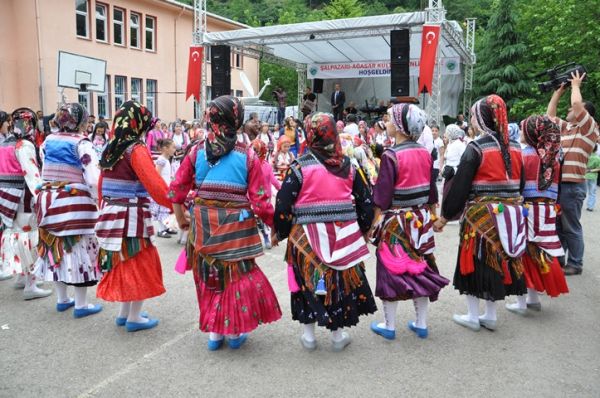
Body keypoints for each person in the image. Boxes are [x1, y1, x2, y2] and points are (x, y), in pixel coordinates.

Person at [169, 95, 282, 350]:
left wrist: (180, 219)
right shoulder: (248, 156)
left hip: (202, 225)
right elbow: (261, 201)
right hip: (237, 229)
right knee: (235, 277)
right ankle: (232, 333)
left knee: (208, 275)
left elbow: (176, 189)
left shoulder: (195, 150)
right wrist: (275, 226)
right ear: (237, 119)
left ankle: (214, 334)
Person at [274, 112, 377, 351]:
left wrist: (280, 232)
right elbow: (366, 201)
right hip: (343, 235)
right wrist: (362, 229)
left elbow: (282, 204)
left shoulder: (300, 167)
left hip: (305, 237)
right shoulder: (349, 166)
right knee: (339, 284)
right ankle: (338, 336)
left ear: (310, 135)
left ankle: (308, 336)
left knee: (306, 283)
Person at [435, 94, 526, 332]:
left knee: (476, 261)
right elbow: (521, 183)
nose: (472, 119)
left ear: (482, 119)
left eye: (475, 115)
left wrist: (445, 216)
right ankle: (491, 314)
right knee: (499, 260)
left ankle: (474, 316)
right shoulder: (516, 147)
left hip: (481, 217)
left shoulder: (476, 148)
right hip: (510, 215)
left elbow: (461, 186)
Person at [369, 104, 449, 341]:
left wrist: (372, 224)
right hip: (420, 220)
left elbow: (382, 197)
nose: (388, 124)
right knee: (420, 268)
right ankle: (421, 324)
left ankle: (389, 325)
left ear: (401, 126)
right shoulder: (425, 153)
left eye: (391, 120)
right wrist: (435, 217)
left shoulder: (391, 155)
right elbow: (432, 191)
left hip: (396, 221)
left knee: (390, 270)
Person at [95, 101, 172, 332]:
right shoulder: (135, 148)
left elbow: (101, 184)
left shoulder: (111, 147)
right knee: (140, 261)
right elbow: (154, 185)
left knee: (121, 260)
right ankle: (135, 318)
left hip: (110, 212)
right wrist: (176, 203)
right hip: (131, 215)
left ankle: (124, 312)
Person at [36, 103, 102, 318]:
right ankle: (81, 304)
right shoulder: (82, 143)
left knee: (54, 246)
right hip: (73, 200)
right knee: (78, 248)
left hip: (46, 199)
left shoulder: (48, 140)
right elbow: (92, 178)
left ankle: (62, 299)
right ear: (80, 120)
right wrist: (97, 200)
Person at [505, 115, 569, 315]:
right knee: (539, 253)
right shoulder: (554, 157)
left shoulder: (526, 156)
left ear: (533, 134)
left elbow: (516, 184)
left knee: (523, 253)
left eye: (524, 129)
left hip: (528, 210)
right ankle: (532, 298)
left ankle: (522, 301)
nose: (522, 133)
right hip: (548, 211)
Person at [547, 71, 599, 275]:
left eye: (574, 108)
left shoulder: (589, 128)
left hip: (572, 185)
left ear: (586, 114)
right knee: (559, 225)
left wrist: (575, 84)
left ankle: (576, 263)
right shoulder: (567, 128)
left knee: (571, 226)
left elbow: (577, 105)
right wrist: (558, 93)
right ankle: (559, 258)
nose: (570, 108)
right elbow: (550, 117)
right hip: (561, 185)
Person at [0, 108, 52, 298]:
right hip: (22, 198)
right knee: (29, 237)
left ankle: (22, 276)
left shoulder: (5, 143)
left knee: (15, 235)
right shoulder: (24, 146)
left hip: (6, 198)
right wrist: (43, 195)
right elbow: (32, 175)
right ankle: (31, 283)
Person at [252, 138, 281, 249]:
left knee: (263, 217)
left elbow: (274, 181)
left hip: (264, 197)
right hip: (254, 197)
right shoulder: (249, 165)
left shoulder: (265, 166)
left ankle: (267, 235)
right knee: (259, 217)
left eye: (256, 150)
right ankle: (265, 235)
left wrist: (281, 189)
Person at [151, 139, 177, 238]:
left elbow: (166, 174)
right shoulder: (161, 160)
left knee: (168, 207)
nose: (174, 149)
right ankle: (161, 230)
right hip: (163, 188)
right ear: (165, 148)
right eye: (173, 147)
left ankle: (166, 227)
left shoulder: (166, 160)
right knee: (162, 208)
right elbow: (157, 174)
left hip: (168, 187)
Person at [441, 125, 467, 218]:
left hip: (455, 174)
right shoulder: (450, 144)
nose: (446, 134)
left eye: (447, 132)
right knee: (446, 194)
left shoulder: (460, 145)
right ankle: (446, 215)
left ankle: (453, 215)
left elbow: (464, 159)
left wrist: (456, 169)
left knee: (452, 195)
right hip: (448, 173)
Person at [585, 145, 600, 211]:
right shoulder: (597, 158)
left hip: (585, 175)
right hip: (593, 176)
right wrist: (591, 170)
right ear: (596, 149)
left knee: (583, 191)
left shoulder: (586, 156)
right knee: (592, 192)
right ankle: (590, 207)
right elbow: (598, 168)